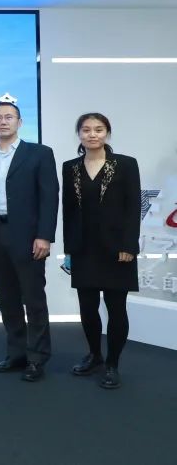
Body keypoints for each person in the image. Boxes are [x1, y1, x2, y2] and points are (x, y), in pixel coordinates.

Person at [0, 101, 58, 382]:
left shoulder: (40, 154)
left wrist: (44, 235)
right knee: (7, 299)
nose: (3, 122)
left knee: (33, 299)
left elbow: (49, 197)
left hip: (28, 236)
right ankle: (16, 353)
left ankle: (37, 358)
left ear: (20, 122)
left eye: (9, 117)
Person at [62, 113, 140, 389]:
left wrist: (129, 246)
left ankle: (112, 364)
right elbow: (69, 212)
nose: (92, 134)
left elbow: (133, 208)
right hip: (84, 249)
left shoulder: (126, 164)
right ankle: (94, 355)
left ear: (107, 132)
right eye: (86, 130)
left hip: (117, 249)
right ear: (79, 134)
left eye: (98, 129)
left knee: (116, 308)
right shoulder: (70, 167)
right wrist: (69, 250)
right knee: (87, 307)